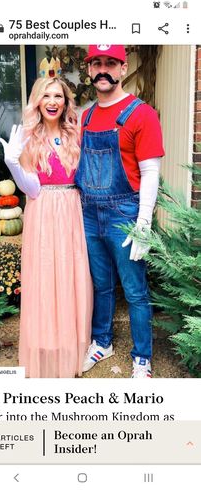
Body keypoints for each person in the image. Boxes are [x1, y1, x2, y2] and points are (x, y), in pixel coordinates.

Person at [75, 45, 165, 378]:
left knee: (135, 290)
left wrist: (143, 223)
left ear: (123, 68)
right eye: (96, 63)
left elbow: (151, 172)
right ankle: (102, 342)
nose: (102, 69)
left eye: (109, 63)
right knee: (100, 285)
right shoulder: (84, 116)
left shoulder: (141, 114)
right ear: (89, 70)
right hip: (88, 213)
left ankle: (142, 357)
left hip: (125, 214)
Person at [0, 73, 93, 378]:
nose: (53, 102)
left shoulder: (74, 133)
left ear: (66, 102)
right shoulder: (27, 136)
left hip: (71, 212)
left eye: (58, 96)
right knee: (46, 279)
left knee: (71, 276)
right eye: (46, 95)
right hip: (43, 211)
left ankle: (70, 349)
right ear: (37, 101)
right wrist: (13, 163)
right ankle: (46, 350)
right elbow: (33, 189)